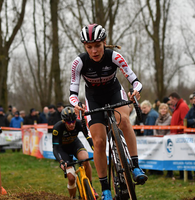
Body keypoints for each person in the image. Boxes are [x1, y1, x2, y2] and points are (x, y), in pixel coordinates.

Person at [69, 24, 148, 199]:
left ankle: (135, 166)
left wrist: (136, 91)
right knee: (98, 142)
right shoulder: (79, 63)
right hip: (93, 98)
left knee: (124, 121)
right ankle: (105, 189)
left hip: (114, 93)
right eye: (89, 47)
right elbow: (73, 93)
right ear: (85, 46)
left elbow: (136, 81)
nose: (94, 51)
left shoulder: (115, 57)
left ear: (104, 42)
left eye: (97, 45)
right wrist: (76, 104)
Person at [52, 106, 98, 199]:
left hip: (75, 145)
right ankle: (72, 197)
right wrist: (61, 161)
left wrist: (95, 150)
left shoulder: (79, 123)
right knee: (71, 178)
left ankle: (90, 186)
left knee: (85, 159)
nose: (72, 124)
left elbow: (88, 138)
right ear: (64, 121)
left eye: (73, 121)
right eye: (69, 122)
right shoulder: (57, 128)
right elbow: (55, 148)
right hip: (63, 150)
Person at [169, 92, 192, 180]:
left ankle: (187, 175)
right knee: (180, 156)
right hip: (177, 136)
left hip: (181, 136)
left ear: (175, 99)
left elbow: (185, 121)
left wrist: (178, 129)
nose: (170, 102)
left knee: (184, 156)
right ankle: (182, 174)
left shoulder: (182, 106)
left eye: (171, 100)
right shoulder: (178, 106)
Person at [185, 91, 195, 181]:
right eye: (194, 98)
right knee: (194, 156)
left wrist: (193, 122)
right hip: (193, 137)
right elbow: (186, 121)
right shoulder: (191, 110)